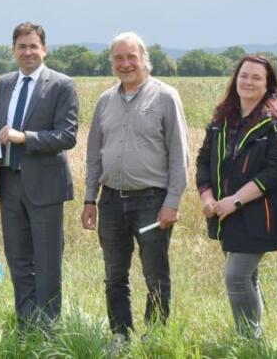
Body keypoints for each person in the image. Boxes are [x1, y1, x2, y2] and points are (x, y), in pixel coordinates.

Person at [82, 32, 189, 344]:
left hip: (152, 201)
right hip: (111, 201)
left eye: (131, 57)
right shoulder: (105, 101)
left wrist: (172, 201)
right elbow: (93, 155)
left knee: (155, 274)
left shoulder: (165, 97)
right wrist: (90, 199)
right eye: (119, 58)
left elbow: (179, 154)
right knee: (114, 274)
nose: (125, 64)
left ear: (144, 59)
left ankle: (154, 337)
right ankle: (120, 336)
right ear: (112, 62)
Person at [195, 54, 277, 339]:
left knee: (236, 276)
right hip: (224, 213)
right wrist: (207, 197)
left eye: (256, 77)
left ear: (268, 84)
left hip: (258, 215)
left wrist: (236, 200)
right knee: (248, 277)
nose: (248, 82)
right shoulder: (221, 120)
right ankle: (255, 341)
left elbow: (276, 171)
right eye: (244, 75)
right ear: (235, 79)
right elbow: (203, 159)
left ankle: (248, 341)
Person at [0, 22, 78, 328]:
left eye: (33, 46)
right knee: (18, 259)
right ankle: (26, 325)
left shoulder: (61, 85)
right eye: (22, 47)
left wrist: (25, 137)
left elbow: (67, 135)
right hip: (9, 182)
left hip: (45, 185)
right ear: (13, 50)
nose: (27, 52)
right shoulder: (3, 84)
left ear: (44, 49)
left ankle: (49, 327)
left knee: (47, 260)